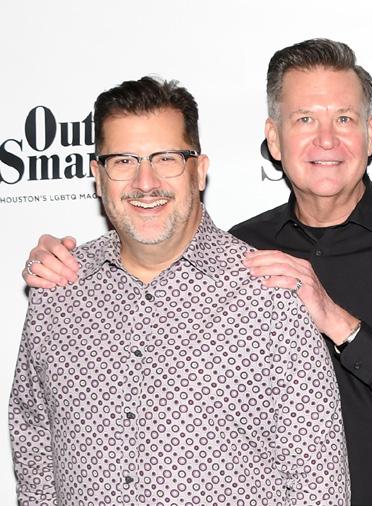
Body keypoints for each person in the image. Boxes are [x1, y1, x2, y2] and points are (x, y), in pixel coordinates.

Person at [20, 39, 372, 505]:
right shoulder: (245, 252)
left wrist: (340, 323)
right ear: (274, 139)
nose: (326, 139)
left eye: (343, 119)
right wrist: (62, 263)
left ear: (369, 132)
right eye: (305, 119)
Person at [10, 76, 349, 505]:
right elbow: (34, 445)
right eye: (123, 161)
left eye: (166, 158)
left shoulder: (270, 295)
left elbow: (318, 482)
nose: (145, 182)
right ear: (98, 175)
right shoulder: (57, 292)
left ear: (199, 170)